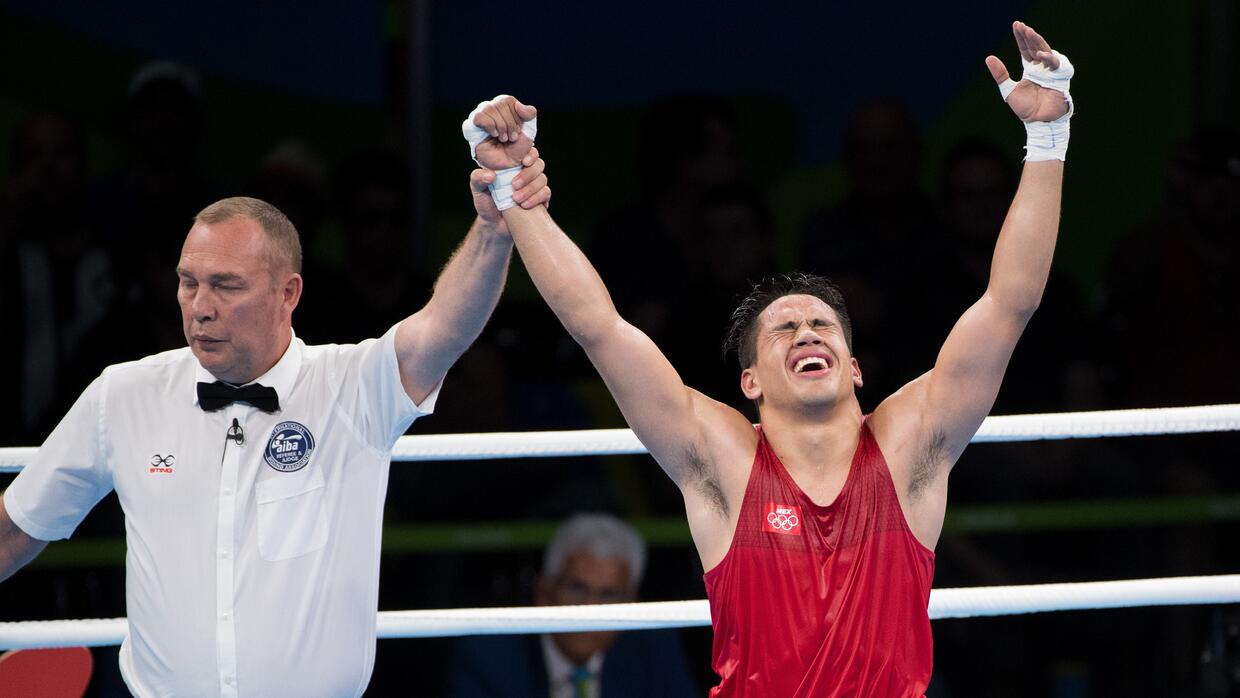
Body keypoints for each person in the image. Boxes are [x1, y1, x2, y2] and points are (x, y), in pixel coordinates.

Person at [467, 21, 1074, 696]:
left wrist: (1047, 142)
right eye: (783, 329)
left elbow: (1008, 303)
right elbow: (599, 329)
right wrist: (512, 185)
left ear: (855, 368)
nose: (807, 331)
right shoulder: (721, 459)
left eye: (822, 324)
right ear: (749, 380)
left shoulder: (908, 445)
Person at [0, 155, 551, 694]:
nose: (200, 306)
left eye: (226, 285)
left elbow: (445, 327)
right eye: (188, 282)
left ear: (288, 293)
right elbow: (15, 527)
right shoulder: (123, 395)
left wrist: (494, 224)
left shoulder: (352, 386)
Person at [449, 513, 697, 697]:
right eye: (578, 588)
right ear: (544, 591)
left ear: (631, 602)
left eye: (609, 594)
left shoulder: (653, 648)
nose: (591, 606)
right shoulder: (490, 656)